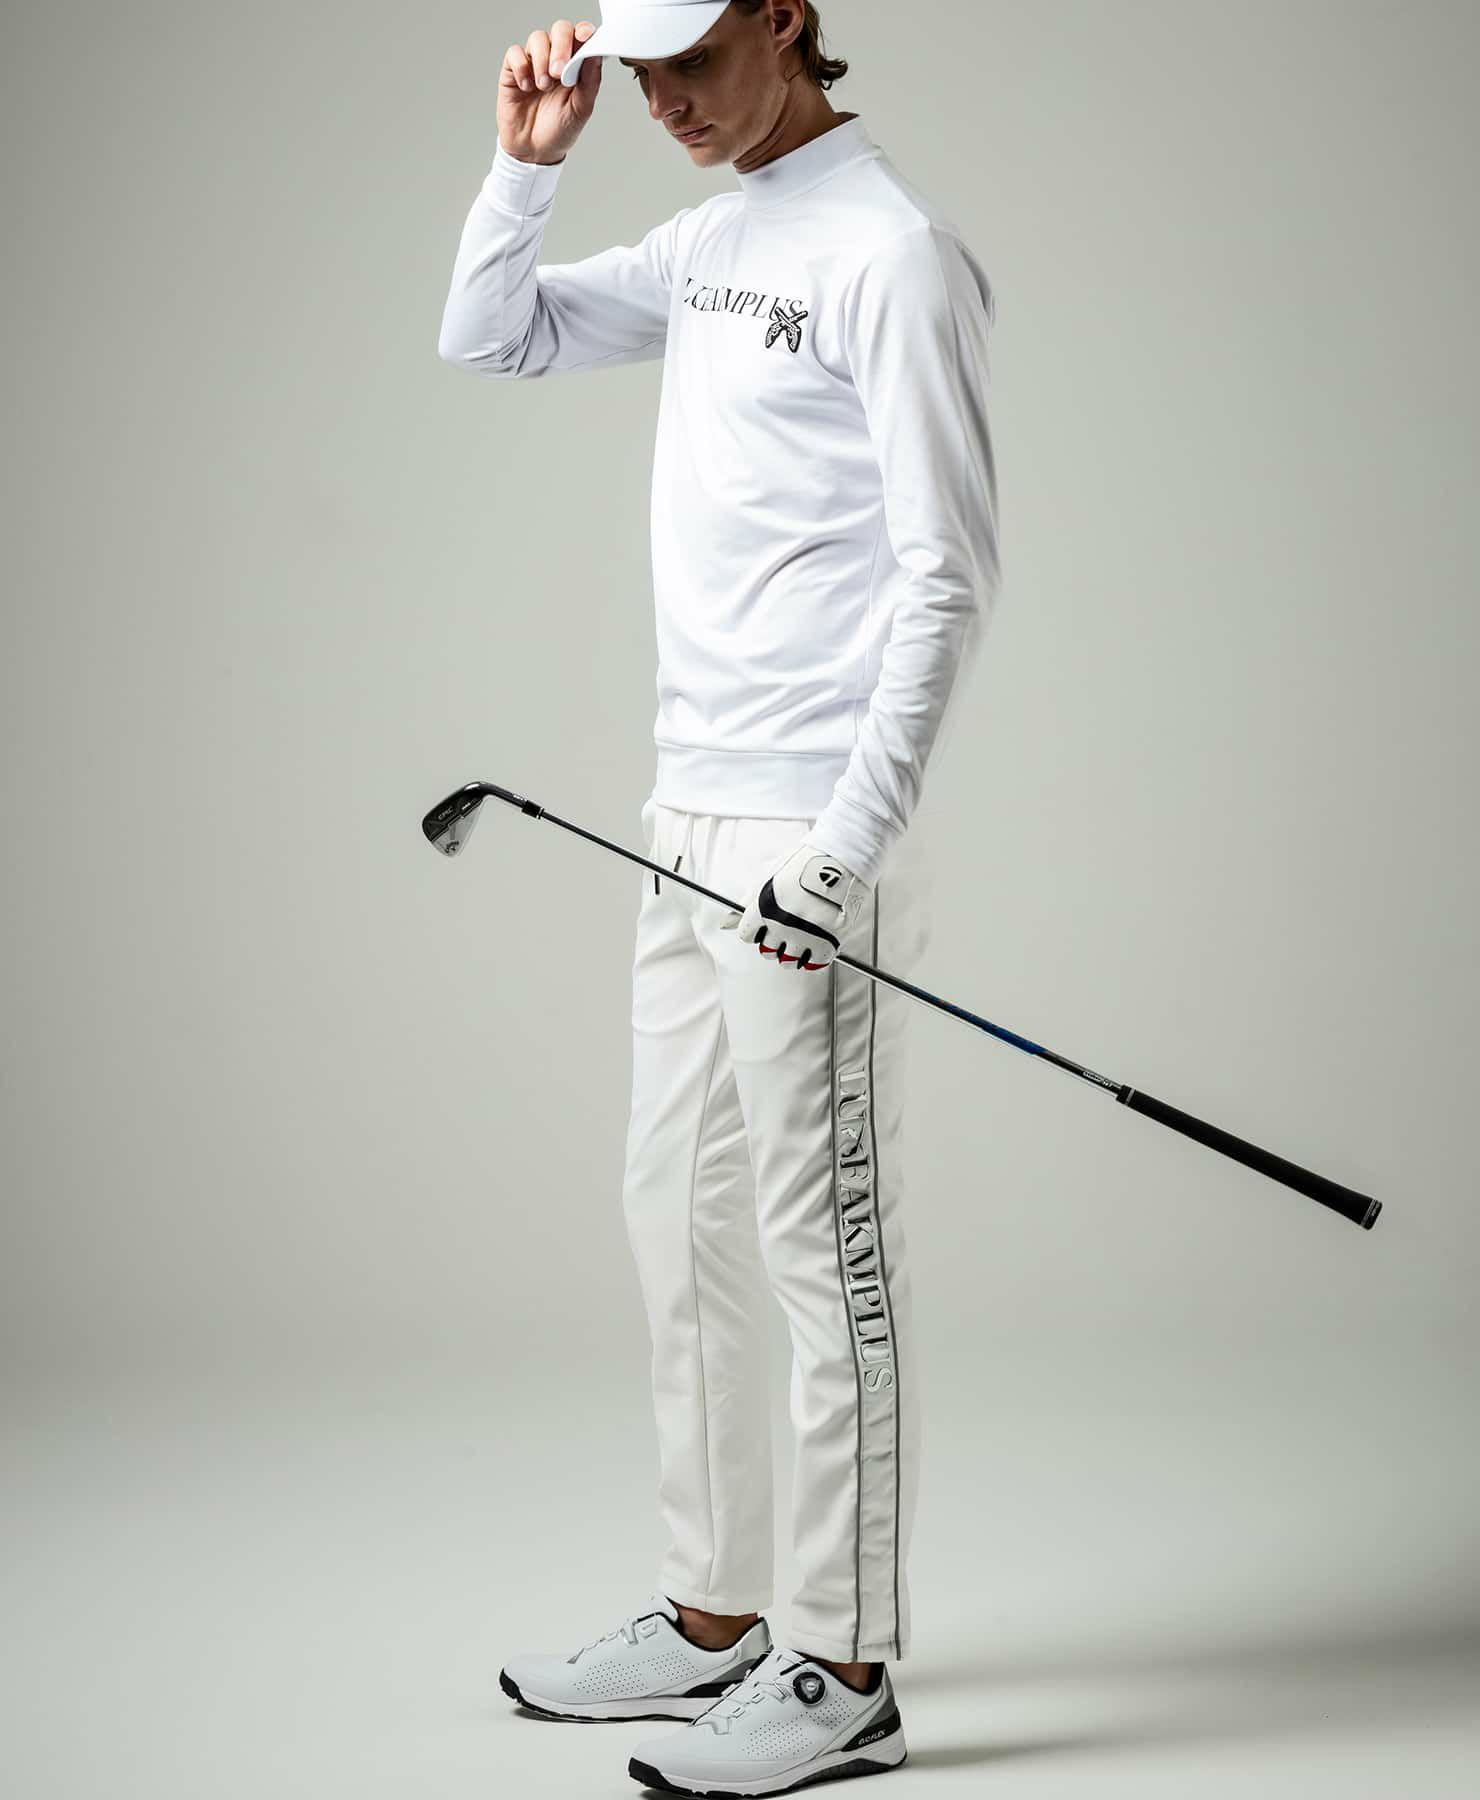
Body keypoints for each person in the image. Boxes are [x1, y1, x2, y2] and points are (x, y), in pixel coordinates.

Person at [437, 2, 1000, 1790]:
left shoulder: (891, 255)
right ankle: (713, 1619)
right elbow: (491, 335)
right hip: (679, 815)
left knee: (822, 1253)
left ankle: (845, 1667)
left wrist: (847, 843)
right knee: (672, 1217)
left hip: (808, 834)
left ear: (785, 20)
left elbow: (948, 576)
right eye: (640, 72)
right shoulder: (710, 238)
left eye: (692, 59)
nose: (664, 99)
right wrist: (524, 171)